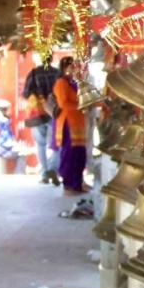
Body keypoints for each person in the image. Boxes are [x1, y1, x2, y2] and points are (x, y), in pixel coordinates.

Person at [53, 58, 88, 196]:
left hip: (78, 122)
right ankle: (68, 185)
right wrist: (80, 106)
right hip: (68, 122)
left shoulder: (75, 83)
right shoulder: (61, 83)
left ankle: (77, 184)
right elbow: (63, 103)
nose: (75, 69)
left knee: (80, 154)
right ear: (65, 68)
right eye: (72, 67)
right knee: (69, 155)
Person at [22, 61, 60, 185]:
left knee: (40, 145)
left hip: (37, 114)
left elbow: (26, 93)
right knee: (57, 143)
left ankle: (44, 173)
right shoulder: (57, 73)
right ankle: (53, 168)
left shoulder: (33, 74)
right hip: (54, 112)